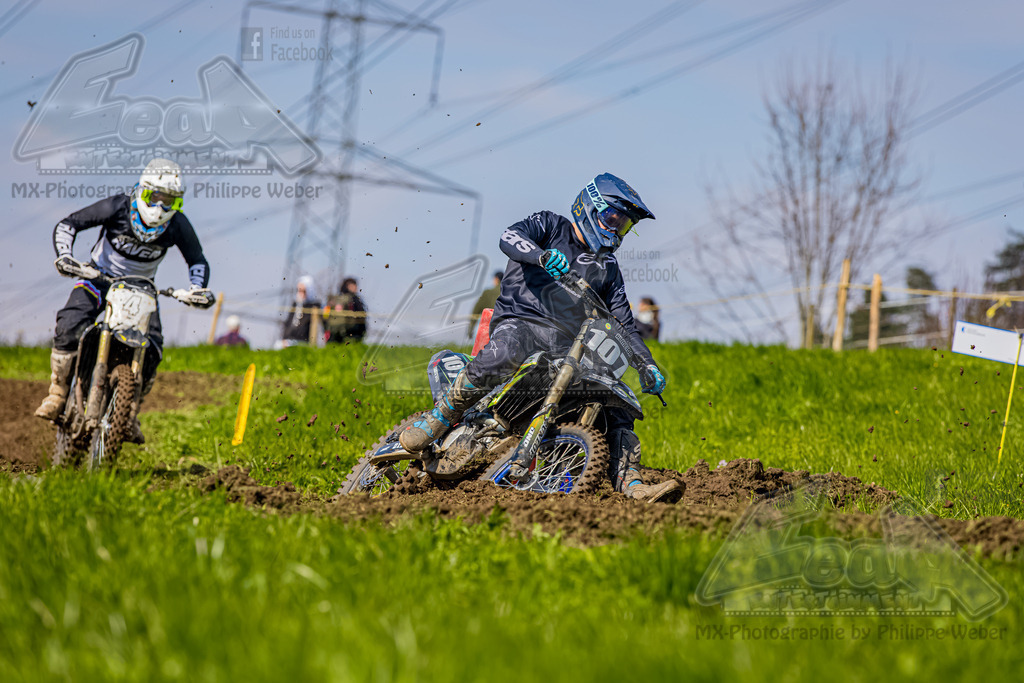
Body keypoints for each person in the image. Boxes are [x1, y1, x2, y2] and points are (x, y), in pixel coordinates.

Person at [399, 172, 680, 503]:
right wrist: (540, 256)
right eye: (613, 218)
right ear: (591, 206)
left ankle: (629, 482)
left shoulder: (608, 267)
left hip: (567, 345)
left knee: (616, 401)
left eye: (625, 225)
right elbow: (510, 237)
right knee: (512, 345)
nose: (617, 229)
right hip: (521, 322)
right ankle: (441, 417)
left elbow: (624, 322)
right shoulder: (551, 225)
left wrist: (646, 363)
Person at [34, 158, 215, 444]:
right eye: (155, 197)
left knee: (153, 347)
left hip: (142, 289)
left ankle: (128, 411)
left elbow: (198, 261)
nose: (160, 207)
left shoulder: (177, 225)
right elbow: (68, 224)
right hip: (98, 278)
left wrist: (196, 288)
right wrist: (65, 256)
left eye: (170, 201)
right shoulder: (118, 206)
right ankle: (57, 393)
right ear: (142, 191)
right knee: (69, 324)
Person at [278, 275, 321, 348]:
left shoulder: (314, 306)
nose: (301, 294)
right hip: (290, 339)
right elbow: (288, 323)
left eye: (303, 291)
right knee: (278, 346)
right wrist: (285, 338)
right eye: (299, 290)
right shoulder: (295, 305)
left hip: (304, 341)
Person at [323, 276, 367, 343]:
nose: (356, 288)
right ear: (348, 286)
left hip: (334, 330)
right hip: (351, 331)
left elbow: (325, 315)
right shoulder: (353, 299)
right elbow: (361, 315)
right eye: (354, 285)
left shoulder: (335, 299)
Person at [467, 270, 503, 337]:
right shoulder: (510, 294)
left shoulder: (487, 293)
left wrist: (470, 329)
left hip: (488, 330)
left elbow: (476, 311)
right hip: (505, 330)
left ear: (496, 279)